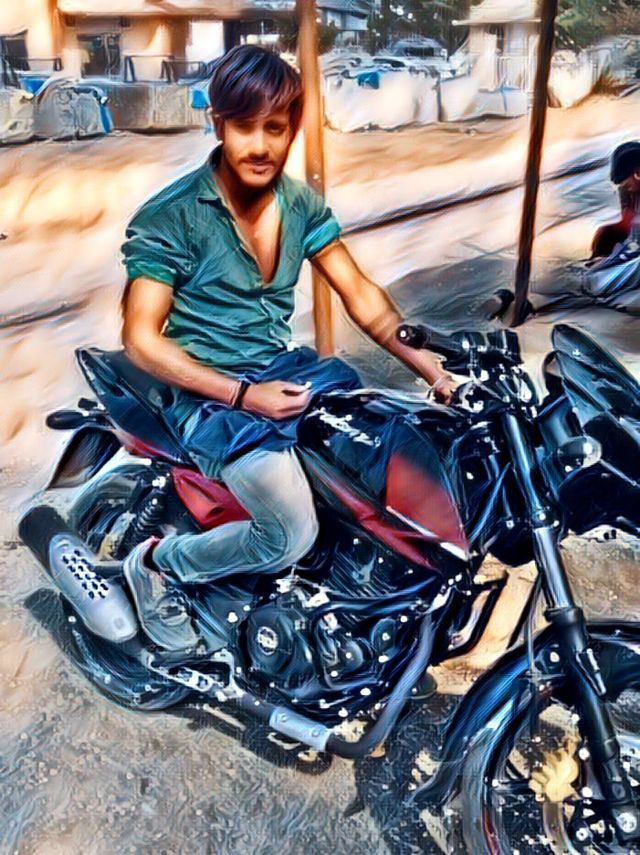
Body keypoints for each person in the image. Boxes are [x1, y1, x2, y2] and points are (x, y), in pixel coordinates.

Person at [119, 45, 457, 653]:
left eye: (274, 129)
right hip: (208, 396)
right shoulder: (172, 216)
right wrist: (243, 395)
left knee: (388, 449)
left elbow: (362, 295)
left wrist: (433, 370)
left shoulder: (300, 206)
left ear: (292, 129)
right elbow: (140, 338)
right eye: (243, 127)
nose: (259, 146)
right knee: (289, 532)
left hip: (281, 372)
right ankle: (159, 565)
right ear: (218, 124)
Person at [591, 140, 640, 259]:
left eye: (627, 186)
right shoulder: (626, 191)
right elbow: (627, 218)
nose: (626, 190)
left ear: (638, 173)